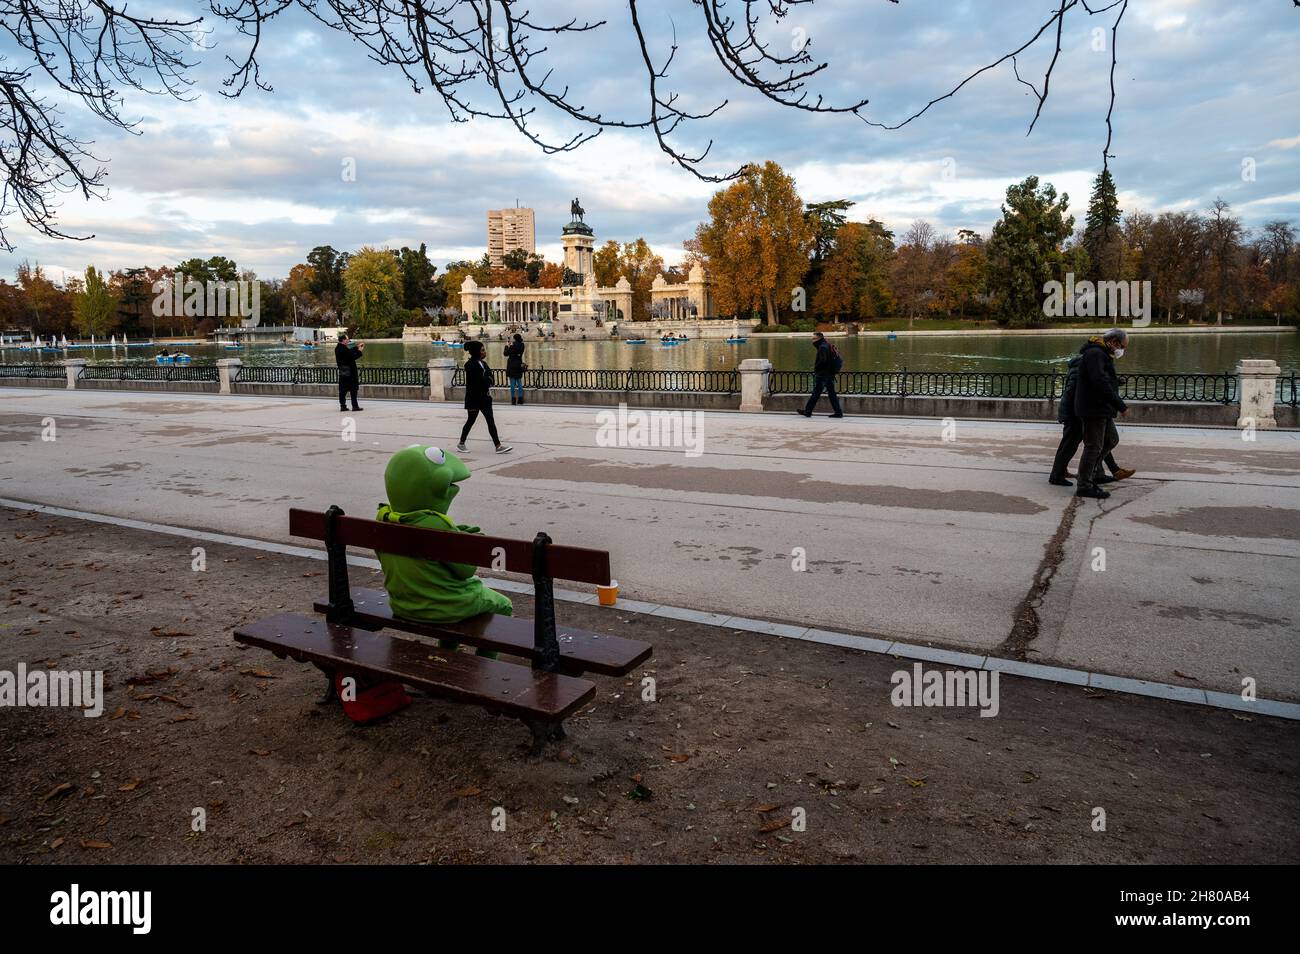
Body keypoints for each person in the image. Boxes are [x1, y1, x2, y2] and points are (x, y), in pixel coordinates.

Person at [375, 444, 511, 659]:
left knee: (453, 600)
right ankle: (487, 664)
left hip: (403, 604)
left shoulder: (383, 518)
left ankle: (447, 654)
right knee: (503, 604)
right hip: (444, 607)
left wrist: (456, 535)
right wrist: (469, 542)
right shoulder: (435, 524)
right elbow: (466, 571)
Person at [1049, 352, 1137, 487]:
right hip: (1075, 413)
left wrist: (1112, 382)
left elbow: (1095, 383)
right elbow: (1075, 392)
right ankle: (1057, 475)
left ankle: (1100, 473)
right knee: (1070, 445)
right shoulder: (1080, 369)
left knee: (1097, 442)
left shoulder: (1086, 368)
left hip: (1081, 411)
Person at [1073, 328, 1130, 499]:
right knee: (1093, 446)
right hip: (1093, 408)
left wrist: (1114, 381)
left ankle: (1095, 473)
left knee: (1111, 439)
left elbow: (1102, 379)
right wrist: (1120, 405)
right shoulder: (1096, 354)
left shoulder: (1102, 354)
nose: (1122, 350)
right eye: (1122, 346)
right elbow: (1098, 381)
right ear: (1112, 341)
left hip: (1101, 408)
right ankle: (1084, 484)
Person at [457, 340, 512, 454]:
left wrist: (486, 379)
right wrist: (486, 379)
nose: (484, 352)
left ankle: (498, 446)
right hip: (474, 398)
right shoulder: (469, 365)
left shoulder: (484, 364)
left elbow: (490, 379)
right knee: (471, 421)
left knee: (490, 421)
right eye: (482, 350)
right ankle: (461, 443)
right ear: (477, 351)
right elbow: (480, 381)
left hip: (485, 398)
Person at [797, 331, 844, 418]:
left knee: (816, 393)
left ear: (819, 339)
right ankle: (838, 412)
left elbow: (823, 360)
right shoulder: (827, 345)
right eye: (812, 339)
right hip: (830, 373)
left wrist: (816, 368)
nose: (812, 341)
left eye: (814, 339)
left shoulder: (822, 347)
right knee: (832, 394)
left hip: (823, 374)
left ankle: (808, 411)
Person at [335, 332, 365, 412]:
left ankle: (343, 406)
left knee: (343, 389)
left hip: (343, 370)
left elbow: (349, 352)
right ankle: (355, 406)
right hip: (350, 370)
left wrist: (356, 347)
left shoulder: (339, 347)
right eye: (347, 339)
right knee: (353, 388)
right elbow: (352, 357)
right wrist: (359, 351)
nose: (348, 340)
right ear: (343, 340)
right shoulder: (343, 349)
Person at [503, 333, 526, 405]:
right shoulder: (522, 345)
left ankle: (513, 400)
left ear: (515, 338)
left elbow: (505, 353)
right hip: (519, 364)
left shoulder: (513, 346)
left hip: (512, 365)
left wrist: (507, 345)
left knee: (512, 384)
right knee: (519, 383)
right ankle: (520, 399)